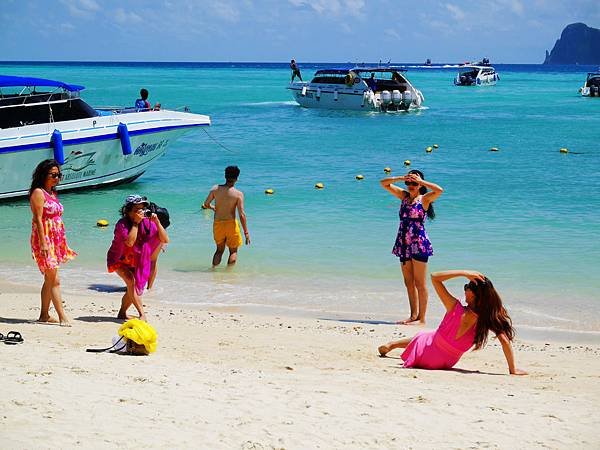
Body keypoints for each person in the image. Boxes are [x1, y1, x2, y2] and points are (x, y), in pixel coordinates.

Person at [378, 270, 528, 375]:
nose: (464, 290)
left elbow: (434, 277)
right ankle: (393, 345)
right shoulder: (487, 318)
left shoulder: (454, 307)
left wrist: (463, 273)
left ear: (475, 294)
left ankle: (393, 344)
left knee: (424, 337)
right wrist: (512, 369)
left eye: (467, 287)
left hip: (427, 355)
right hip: (447, 362)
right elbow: (504, 341)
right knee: (428, 336)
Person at [380, 170, 443, 324]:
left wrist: (421, 181)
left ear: (420, 184)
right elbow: (384, 183)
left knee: (419, 283)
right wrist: (401, 178)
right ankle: (413, 315)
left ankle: (422, 319)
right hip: (403, 242)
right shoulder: (404, 197)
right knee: (408, 282)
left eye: (414, 183)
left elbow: (439, 190)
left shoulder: (425, 199)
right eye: (409, 183)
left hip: (419, 243)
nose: (411, 185)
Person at [29, 159, 77, 326]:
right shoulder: (38, 193)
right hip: (44, 239)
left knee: (49, 279)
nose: (57, 178)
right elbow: (38, 219)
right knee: (55, 279)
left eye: (59, 175)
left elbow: (56, 219)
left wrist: (62, 242)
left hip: (55, 240)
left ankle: (43, 315)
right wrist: (43, 243)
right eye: (54, 175)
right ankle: (62, 316)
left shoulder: (52, 193)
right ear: (44, 175)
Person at [107, 195, 169, 321]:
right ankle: (142, 314)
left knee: (132, 288)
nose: (140, 213)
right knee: (131, 282)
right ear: (128, 211)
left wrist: (157, 222)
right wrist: (135, 223)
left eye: (142, 209)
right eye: (136, 210)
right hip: (119, 259)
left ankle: (122, 313)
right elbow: (129, 242)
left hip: (137, 260)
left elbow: (165, 239)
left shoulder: (147, 223)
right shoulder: (122, 225)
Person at [202, 166, 250, 267]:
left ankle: (213, 270)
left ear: (225, 176)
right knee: (233, 252)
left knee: (219, 250)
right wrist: (246, 233)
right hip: (231, 224)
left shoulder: (215, 189)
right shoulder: (238, 194)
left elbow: (206, 204)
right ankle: (228, 276)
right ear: (237, 178)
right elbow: (241, 214)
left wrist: (212, 207)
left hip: (218, 224)